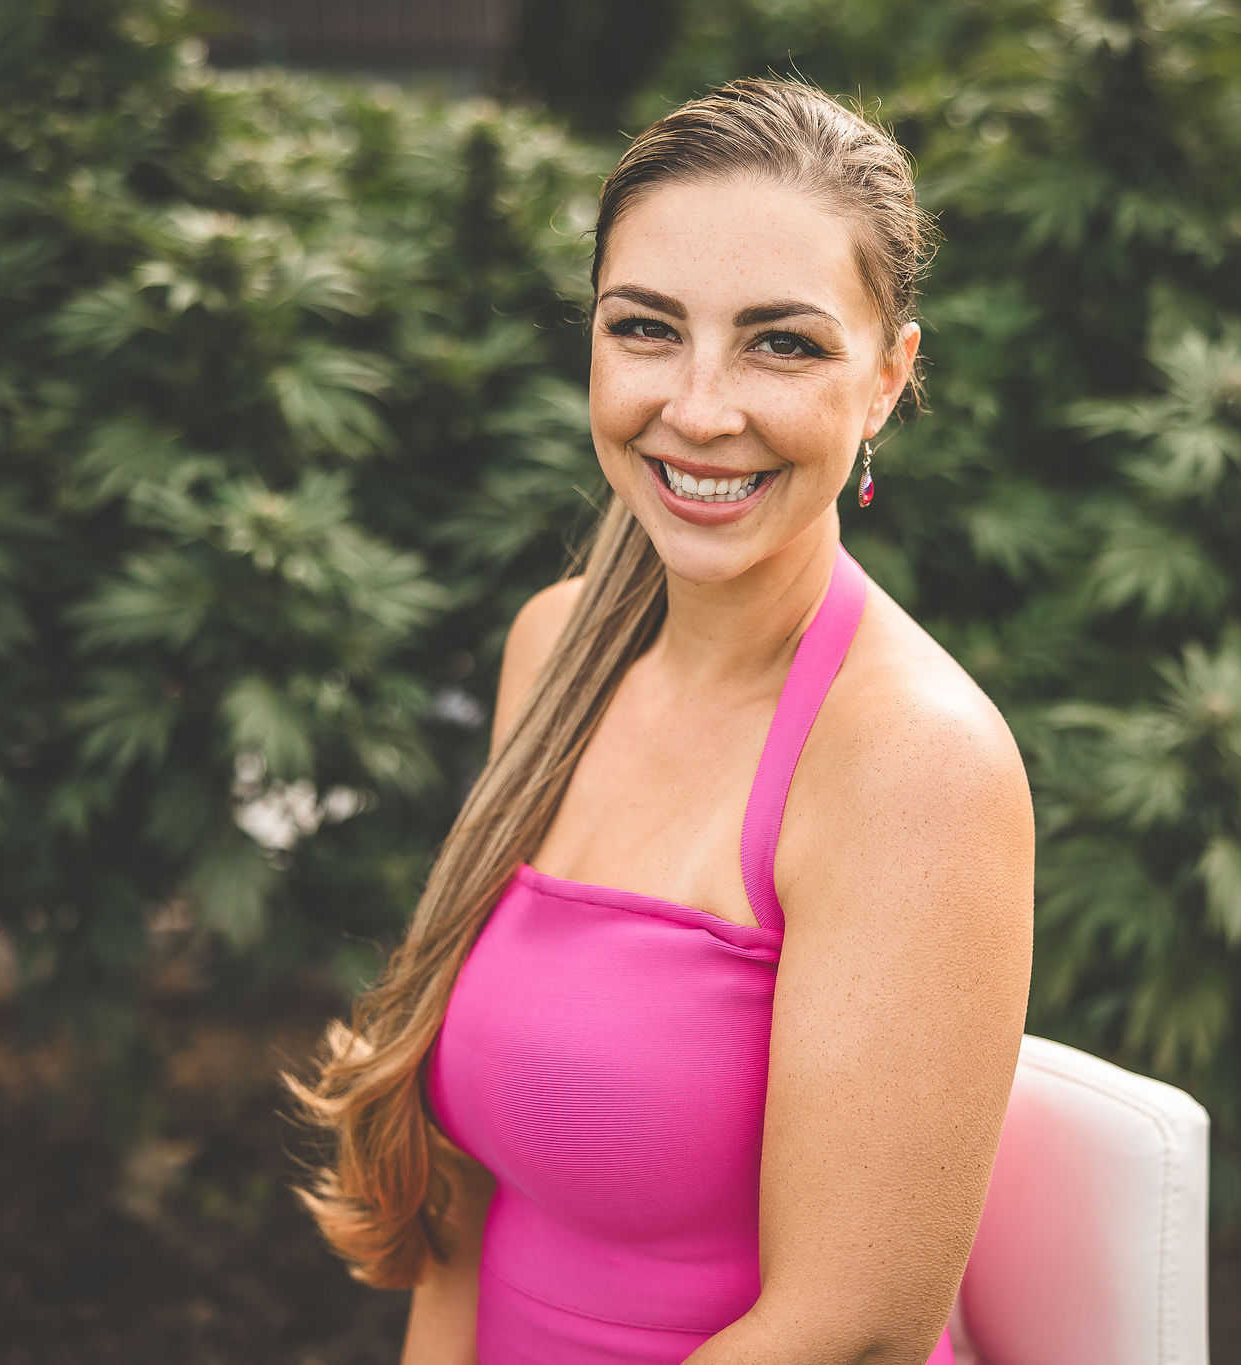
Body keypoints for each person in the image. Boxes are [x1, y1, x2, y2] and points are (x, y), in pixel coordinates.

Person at [285, 75, 1037, 1364]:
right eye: (646, 329)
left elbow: (848, 1334)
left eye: (782, 343)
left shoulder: (913, 763)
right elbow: (465, 1195)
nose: (697, 408)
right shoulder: (553, 650)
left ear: (887, 379)